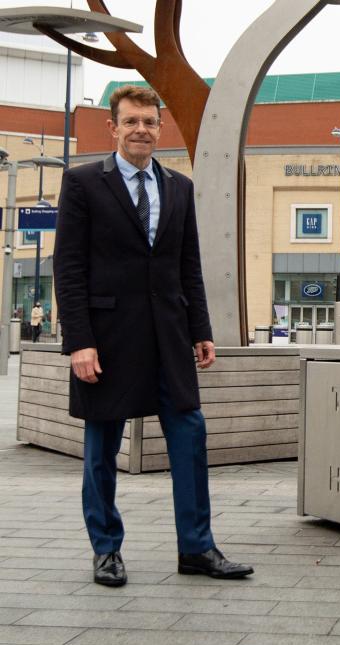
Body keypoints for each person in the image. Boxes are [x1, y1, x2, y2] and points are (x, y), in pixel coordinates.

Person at [53, 85, 253, 588]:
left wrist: (201, 330)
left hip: (169, 337)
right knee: (102, 447)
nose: (141, 129)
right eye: (131, 121)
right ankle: (106, 550)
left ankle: (197, 547)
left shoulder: (179, 187)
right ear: (113, 128)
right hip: (106, 339)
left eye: (149, 122)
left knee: (189, 435)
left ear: (159, 129)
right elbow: (69, 268)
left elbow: (189, 265)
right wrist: (79, 341)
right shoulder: (82, 184)